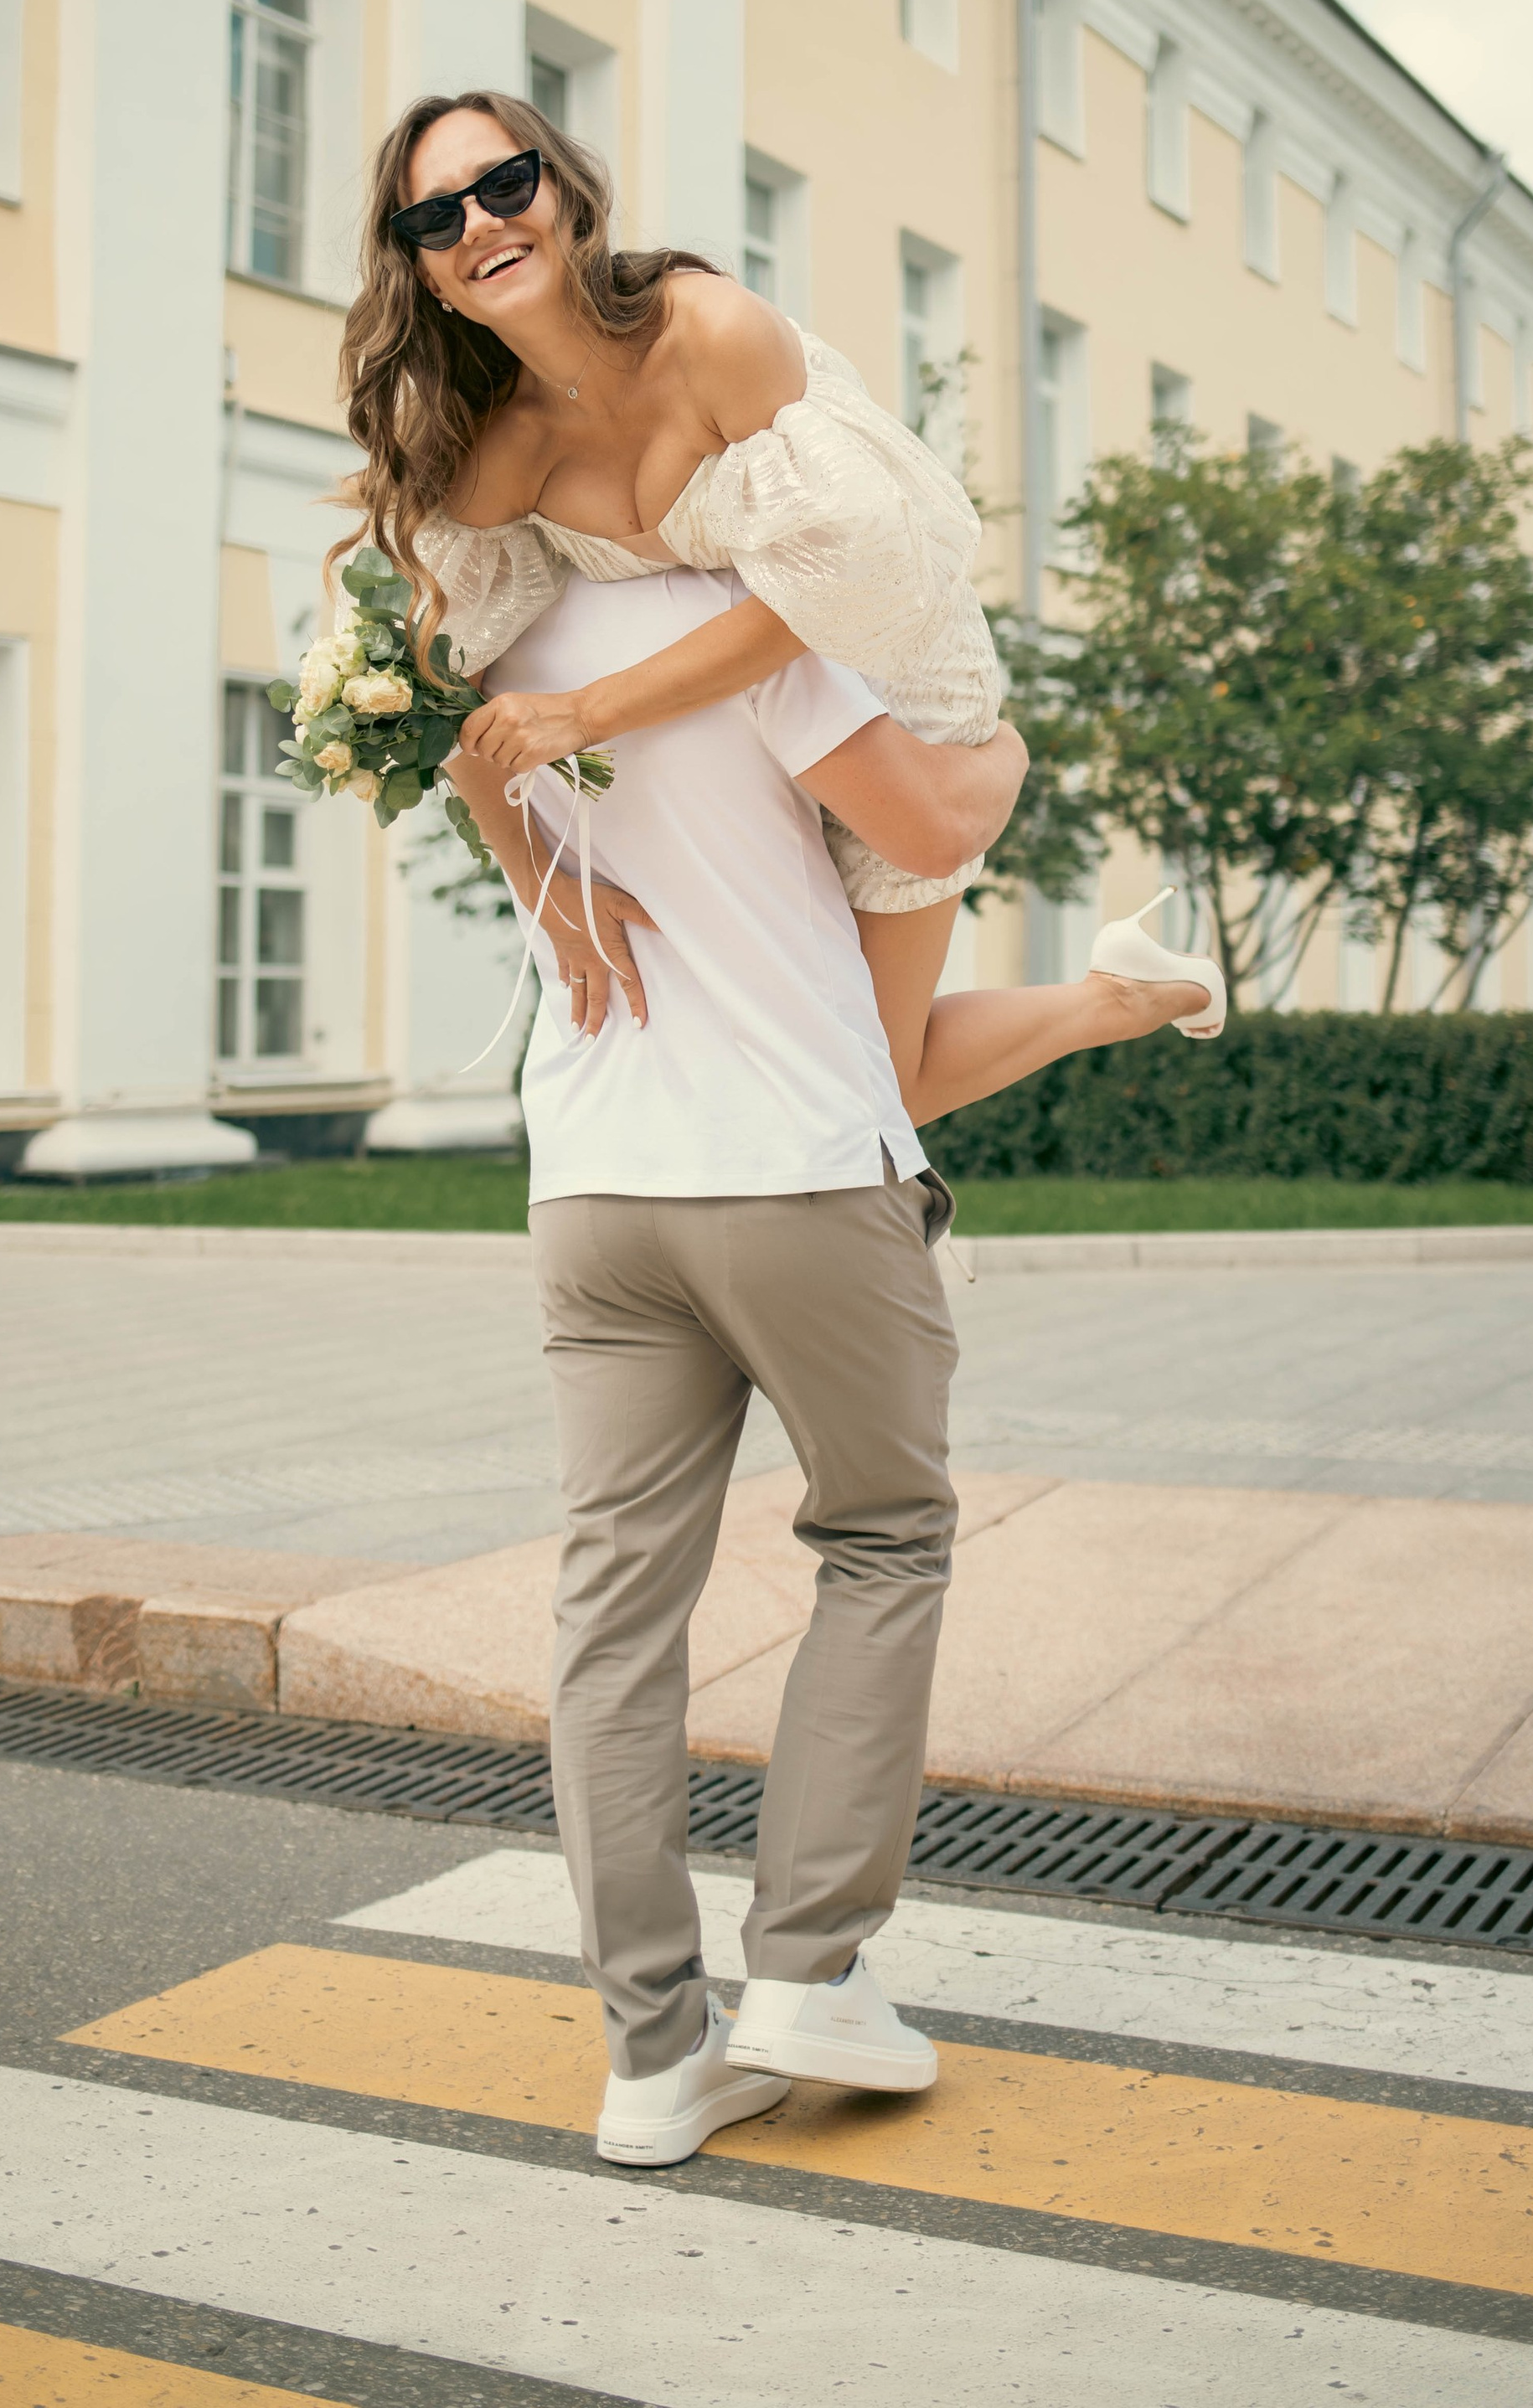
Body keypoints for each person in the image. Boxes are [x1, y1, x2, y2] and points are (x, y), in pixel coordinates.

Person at [441, 559, 1206, 2166]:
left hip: (592, 1184)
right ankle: (806, 1976)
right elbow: (930, 831)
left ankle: (655, 2060)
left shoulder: (488, 642)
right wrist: (997, 741)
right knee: (882, 1540)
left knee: (614, 1615)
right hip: (792, 1175)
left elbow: (482, 788)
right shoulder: (756, 629)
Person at [337, 88, 1225, 1132]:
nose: (480, 222)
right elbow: (446, 687)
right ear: (426, 275)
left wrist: (587, 713)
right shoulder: (491, 452)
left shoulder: (707, 329)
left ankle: (1020, 791)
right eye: (437, 216)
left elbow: (842, 581)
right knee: (864, 1081)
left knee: (894, 1000)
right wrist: (542, 890)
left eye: (504, 183)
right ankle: (1124, 991)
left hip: (888, 657)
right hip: (738, 711)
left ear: (565, 197)